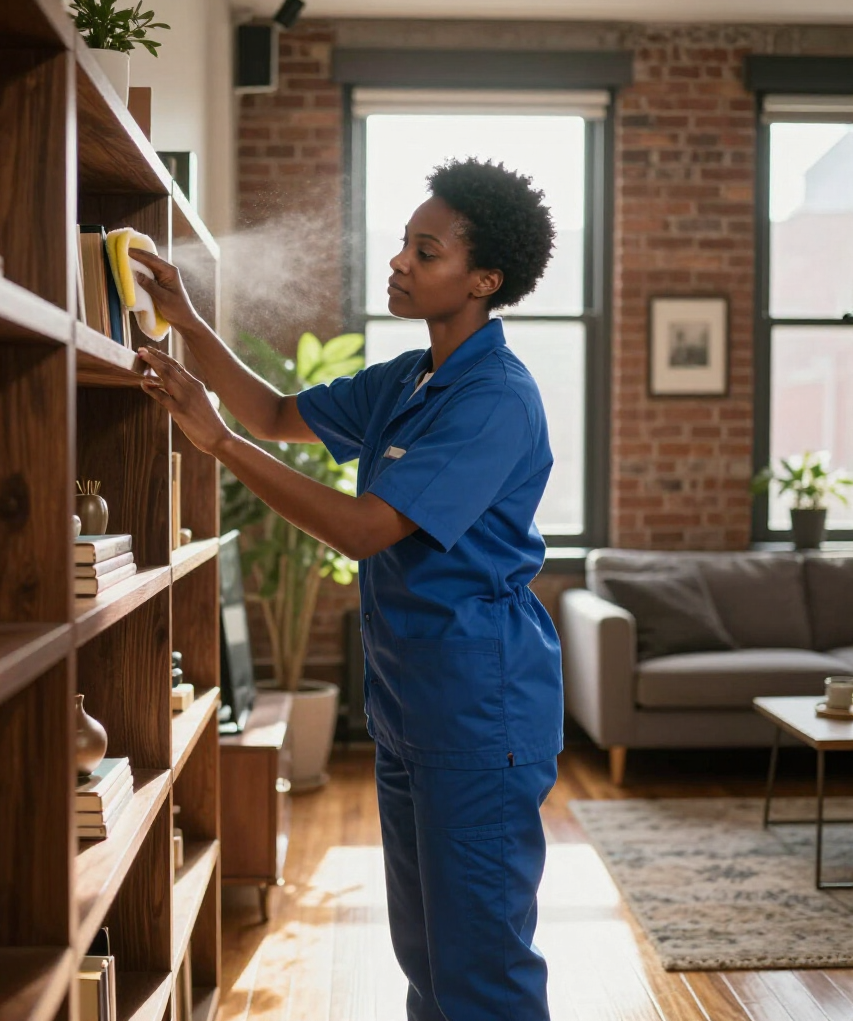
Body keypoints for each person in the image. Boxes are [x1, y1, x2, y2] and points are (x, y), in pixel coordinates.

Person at [131, 156, 563, 1021]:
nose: (400, 262)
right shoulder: (407, 380)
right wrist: (185, 319)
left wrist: (214, 445)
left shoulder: (496, 400)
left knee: (481, 965)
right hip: (412, 705)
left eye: (426, 250)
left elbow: (366, 528)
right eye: (405, 243)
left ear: (485, 280)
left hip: (481, 710)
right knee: (428, 958)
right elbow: (276, 413)